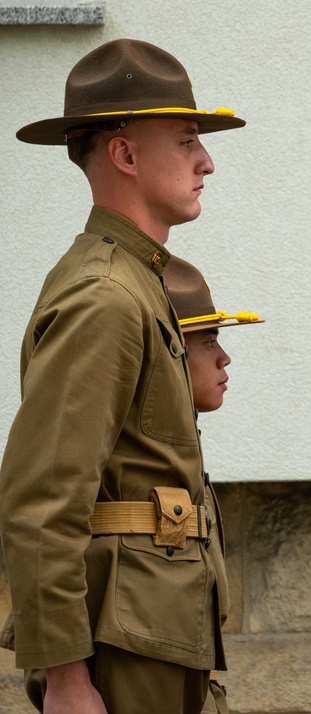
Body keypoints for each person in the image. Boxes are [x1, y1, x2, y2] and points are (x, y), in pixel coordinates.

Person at [0, 39, 244, 714]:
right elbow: (44, 497)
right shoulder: (106, 295)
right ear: (126, 155)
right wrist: (68, 680)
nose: (208, 162)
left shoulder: (137, 283)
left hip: (153, 630)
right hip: (124, 646)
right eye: (188, 140)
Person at [161, 256, 263, 714]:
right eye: (208, 341)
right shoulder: (141, 457)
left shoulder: (180, 442)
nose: (224, 358)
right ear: (171, 351)